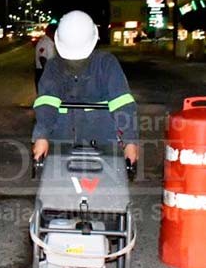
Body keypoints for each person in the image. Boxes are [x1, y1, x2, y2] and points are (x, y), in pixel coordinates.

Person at [32, 10, 138, 165]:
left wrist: (129, 140)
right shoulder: (54, 67)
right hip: (62, 145)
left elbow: (122, 103)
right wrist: (41, 136)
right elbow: (47, 103)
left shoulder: (106, 64)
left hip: (103, 146)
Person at [34, 23, 57, 90]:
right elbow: (42, 58)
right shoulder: (45, 42)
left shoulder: (50, 42)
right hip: (43, 73)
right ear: (52, 32)